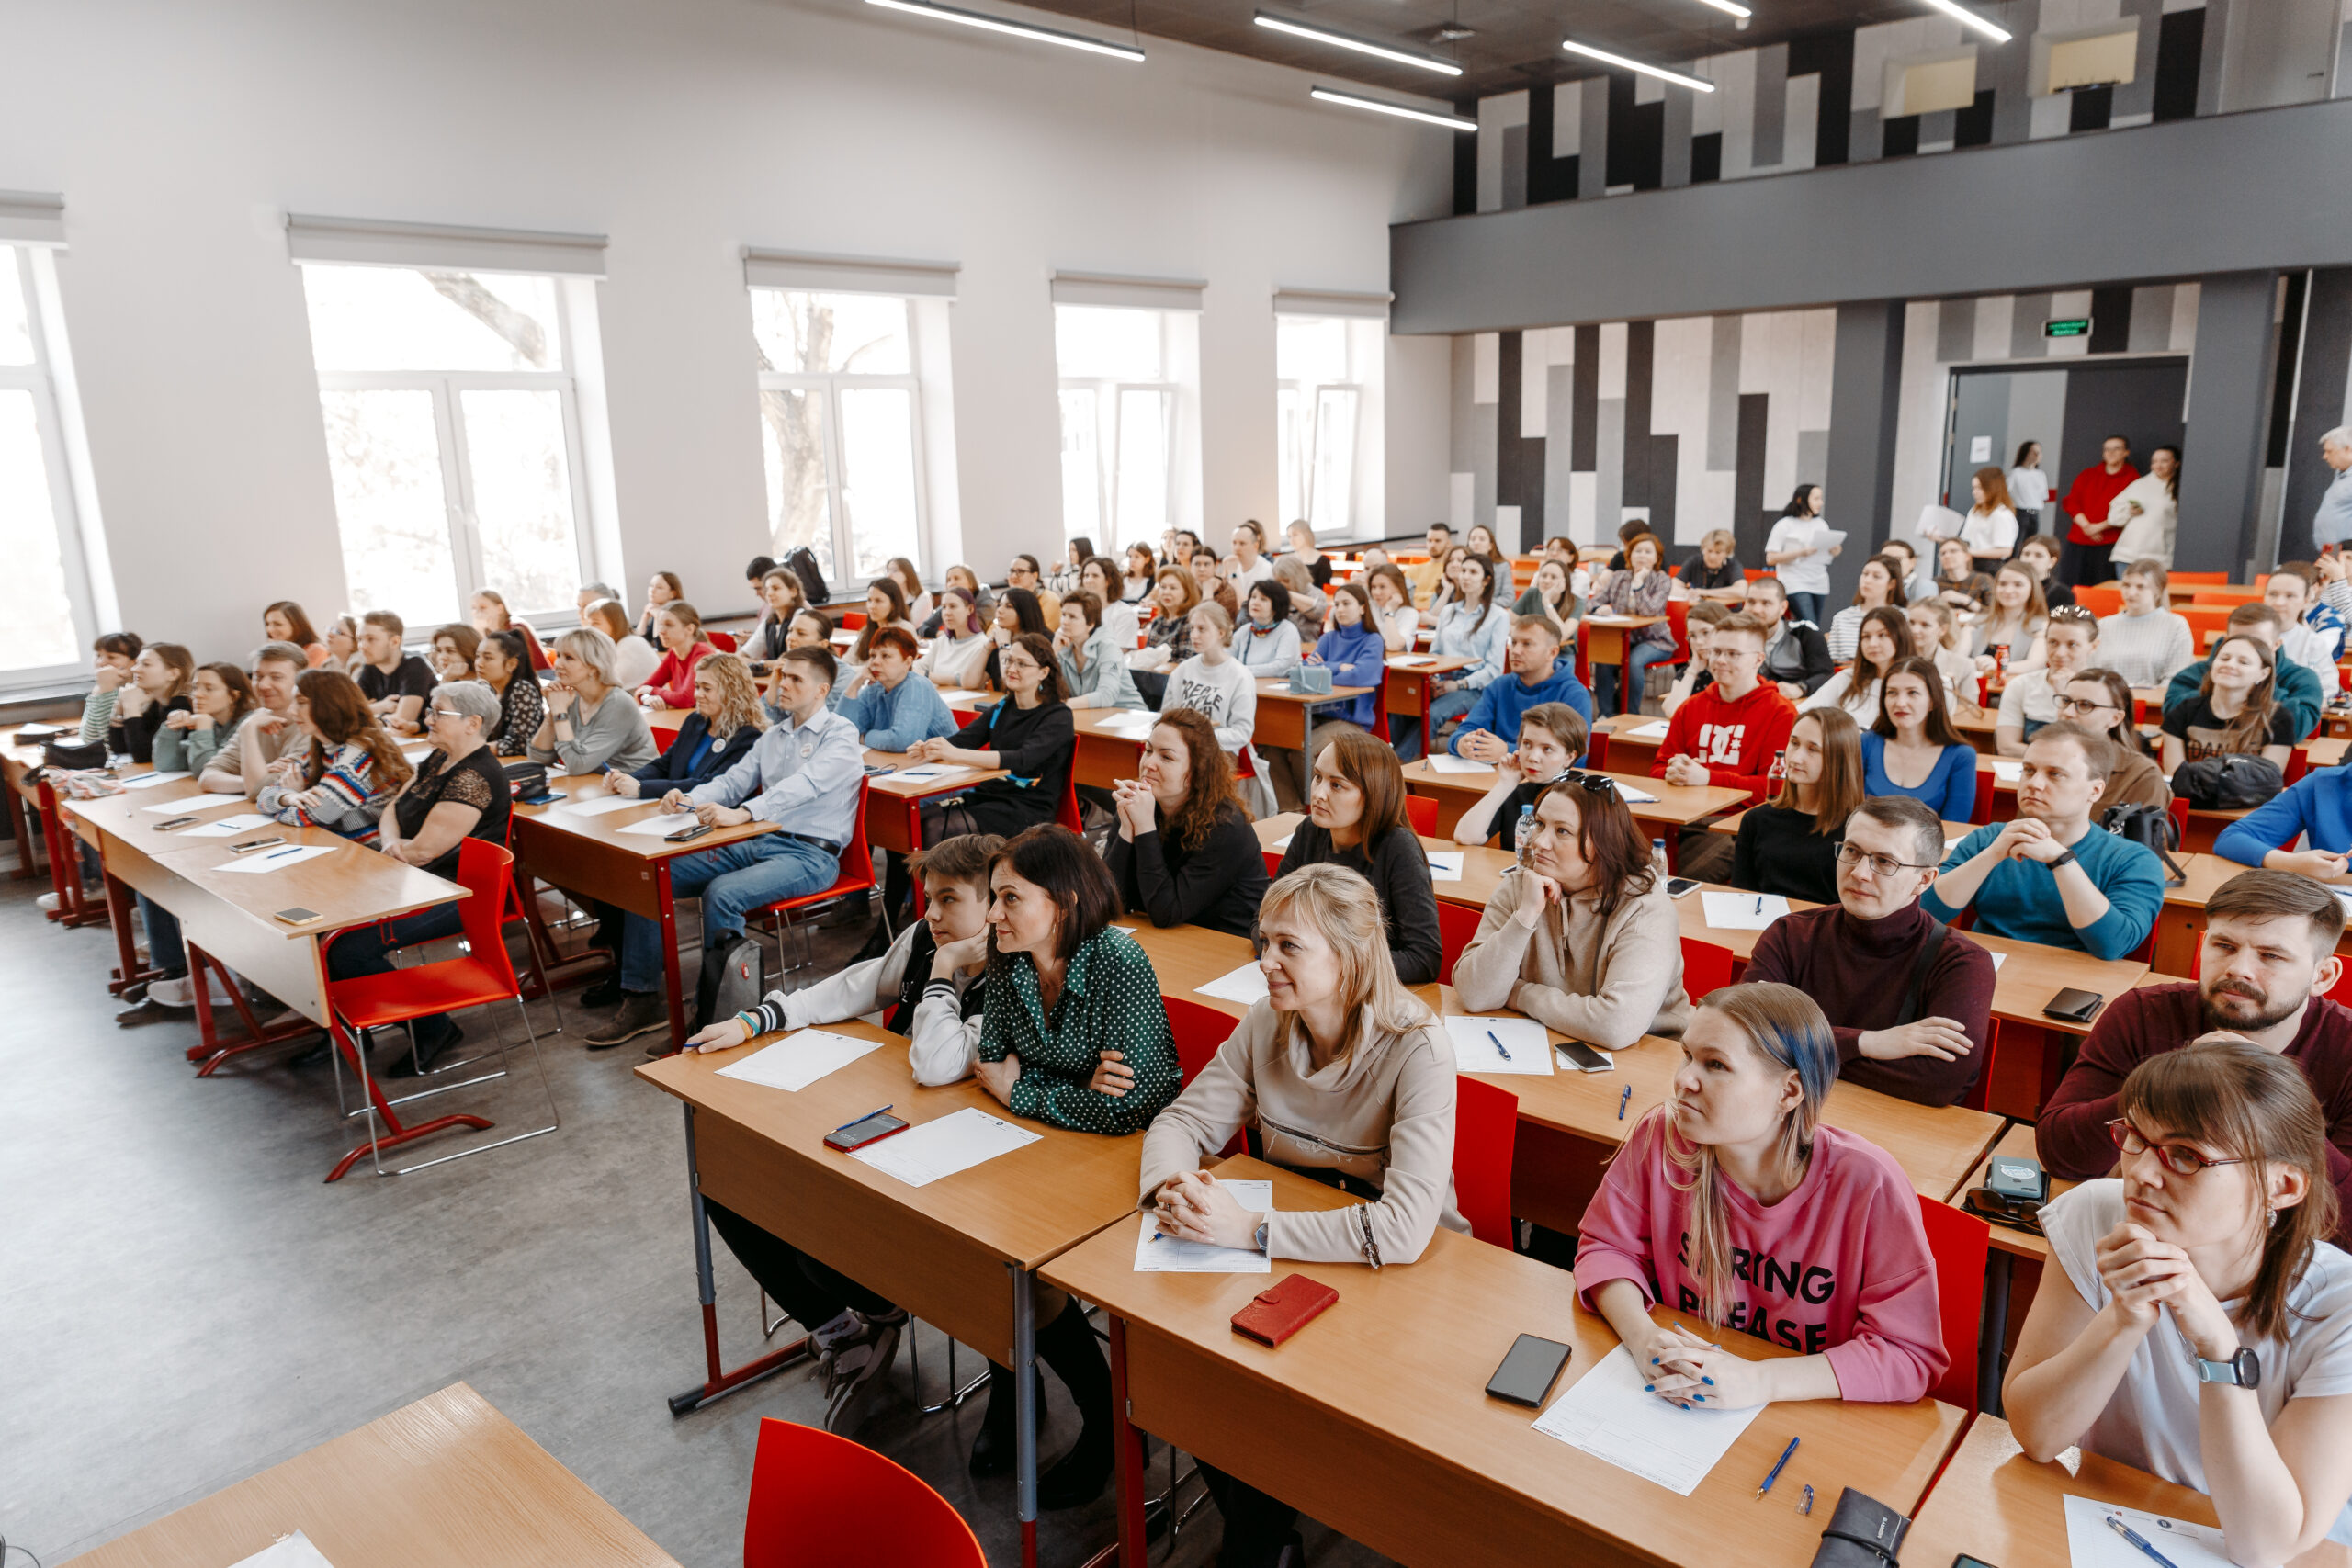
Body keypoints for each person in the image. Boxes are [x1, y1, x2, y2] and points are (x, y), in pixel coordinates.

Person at [1140, 863, 1464, 1565]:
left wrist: (1249, 1229)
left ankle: (1255, 1546)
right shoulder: (1268, 1020)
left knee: (1261, 1409)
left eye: (1289, 946)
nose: (1265, 962)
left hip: (1395, 1276)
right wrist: (1174, 1186)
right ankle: (1263, 1537)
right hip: (1291, 1250)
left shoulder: (1419, 1045)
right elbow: (1183, 1120)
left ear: (1349, 955)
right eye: (1264, 942)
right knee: (1187, 1374)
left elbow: (1404, 1229)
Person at [671, 833, 1002, 1447]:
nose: (929, 914)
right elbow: (855, 986)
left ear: (994, 906)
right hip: (889, 1118)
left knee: (814, 1207)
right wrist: (757, 1017)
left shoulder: (1012, 974)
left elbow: (936, 1063)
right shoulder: (926, 938)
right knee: (730, 1180)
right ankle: (843, 1327)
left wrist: (944, 976)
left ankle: (878, 1305)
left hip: (954, 1160)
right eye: (927, 897)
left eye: (948, 900)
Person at [2003, 1041, 2352, 1564]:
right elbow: (2038, 1437)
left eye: (2185, 1155)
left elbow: (2267, 1546)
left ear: (2282, 1186)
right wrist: (2123, 1319)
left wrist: (2218, 1349)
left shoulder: (2338, 1305)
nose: (2140, 1173)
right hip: (2105, 1513)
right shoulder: (2097, 1214)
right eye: (2135, 1138)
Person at [1577, 983, 1947, 1404]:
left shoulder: (1868, 1183)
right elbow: (1606, 1249)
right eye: (1687, 1056)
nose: (1683, 1081)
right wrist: (1643, 1339)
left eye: (1715, 1065)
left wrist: (1762, 1381)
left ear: (1788, 1092)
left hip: (1807, 1412)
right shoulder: (1662, 1139)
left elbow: (1908, 1353)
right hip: (1681, 1397)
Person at [971, 825, 1182, 1506]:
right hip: (1048, 1154)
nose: (993, 913)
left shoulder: (1118, 961)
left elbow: (1129, 1107)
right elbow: (991, 1057)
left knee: (1030, 1269)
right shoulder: (1007, 958)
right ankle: (1016, 1385)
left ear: (1060, 901)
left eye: (1008, 897)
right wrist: (1069, 1090)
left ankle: (1107, 1421)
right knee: (987, 1250)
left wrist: (1025, 1090)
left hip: (1133, 1169)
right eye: (993, 897)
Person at [583, 645, 865, 1048]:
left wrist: (745, 813)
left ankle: (713, 1018)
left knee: (723, 893)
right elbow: (732, 781)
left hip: (810, 855)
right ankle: (642, 996)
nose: (782, 684)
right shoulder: (775, 734)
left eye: (796, 679)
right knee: (648, 874)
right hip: (761, 841)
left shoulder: (840, 734)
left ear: (822, 690)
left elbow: (804, 785)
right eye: (782, 675)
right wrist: (688, 798)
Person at [2039, 872, 2352, 1229]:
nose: (2238, 969)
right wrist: (2160, 1084)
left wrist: (2269, 1095)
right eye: (2224, 946)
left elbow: (2346, 1224)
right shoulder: (2143, 1012)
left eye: (2271, 956)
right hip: (2150, 1227)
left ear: (2322, 976)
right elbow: (2062, 1155)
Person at [1745, 796, 1996, 1107]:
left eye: (1884, 862)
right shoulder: (1790, 934)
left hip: (1893, 1129)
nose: (1860, 873)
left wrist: (1794, 1047)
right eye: (1852, 851)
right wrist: (1869, 1043)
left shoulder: (1962, 962)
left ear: (1924, 880)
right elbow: (1744, 1032)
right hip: (1786, 1112)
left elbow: (1940, 1082)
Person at [326, 681, 516, 1076]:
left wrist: (394, 851)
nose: (426, 718)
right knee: (322, 928)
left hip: (459, 895)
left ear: (472, 723)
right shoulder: (439, 758)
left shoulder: (475, 776)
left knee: (344, 949)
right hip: (415, 878)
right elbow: (394, 809)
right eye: (429, 709)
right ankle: (340, 1029)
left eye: (437, 712)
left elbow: (426, 850)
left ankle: (434, 1028)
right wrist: (391, 844)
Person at [1453, 772, 1690, 1045]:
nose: (1540, 842)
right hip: (1546, 1040)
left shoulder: (1644, 907)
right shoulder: (1523, 885)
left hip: (1646, 1057)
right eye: (1540, 824)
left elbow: (1616, 1026)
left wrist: (1519, 994)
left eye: (1562, 831)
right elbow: (1474, 994)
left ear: (1603, 842)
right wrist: (1525, 916)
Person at [1923, 722, 2165, 959]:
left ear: (2096, 790)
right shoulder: (1989, 839)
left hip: (2075, 986)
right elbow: (1924, 915)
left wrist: (2061, 860)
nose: (2034, 784)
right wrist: (1992, 855)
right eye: (2028, 770)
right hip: (1983, 970)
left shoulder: (2133, 860)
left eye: (2055, 774)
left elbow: (2113, 945)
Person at [1274, 730, 1442, 985]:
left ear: (1373, 794)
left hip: (1369, 997)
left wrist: (1330, 965)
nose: (1318, 793)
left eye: (1336, 785)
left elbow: (1424, 959)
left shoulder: (1399, 849)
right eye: (1317, 777)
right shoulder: (1310, 832)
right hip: (1308, 984)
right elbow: (1266, 918)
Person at [1654, 612, 1799, 879]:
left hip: (1734, 826)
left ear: (1758, 659)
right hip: (1679, 817)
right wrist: (1672, 771)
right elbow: (1657, 768)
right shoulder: (1691, 707)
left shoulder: (1781, 713)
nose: (1720, 660)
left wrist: (1708, 778)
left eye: (1733, 654)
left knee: (1674, 878)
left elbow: (1774, 789)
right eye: (1716, 651)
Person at [1104, 708, 1270, 938]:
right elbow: (1106, 902)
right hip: (1171, 938)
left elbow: (1166, 912)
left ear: (1196, 771)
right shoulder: (1142, 805)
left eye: (1166, 757)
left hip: (1225, 946)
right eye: (1148, 750)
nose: (1149, 763)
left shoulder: (1225, 827)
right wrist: (1126, 830)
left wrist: (1144, 828)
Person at [907, 632, 1075, 837]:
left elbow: (1021, 760)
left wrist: (954, 754)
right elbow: (964, 740)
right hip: (989, 795)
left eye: (1022, 664)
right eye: (1009, 660)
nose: (1012, 669)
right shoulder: (1003, 706)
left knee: (937, 827)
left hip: (1028, 806)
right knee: (911, 820)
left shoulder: (1059, 716)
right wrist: (930, 748)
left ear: (1043, 672)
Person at [258, 670, 413, 845]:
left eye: (301, 703)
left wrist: (293, 794)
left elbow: (307, 816)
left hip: (374, 859)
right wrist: (288, 797)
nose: (291, 710)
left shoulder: (360, 754)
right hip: (341, 847)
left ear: (330, 705)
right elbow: (264, 795)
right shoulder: (323, 747)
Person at [1731, 707, 1863, 905]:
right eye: (1794, 743)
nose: (1795, 758)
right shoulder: (1756, 820)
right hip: (1763, 929)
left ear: (1839, 758)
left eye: (1812, 749)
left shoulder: (1858, 830)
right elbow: (1741, 895)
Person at [606, 652, 767, 796]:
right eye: (697, 687)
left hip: (711, 816)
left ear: (732, 692)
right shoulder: (696, 720)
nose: (698, 695)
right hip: (673, 807)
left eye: (707, 689)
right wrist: (627, 779)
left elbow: (708, 785)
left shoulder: (748, 736)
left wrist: (642, 788)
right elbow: (664, 765)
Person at [2159, 602, 2324, 742]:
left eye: (2258, 643)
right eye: (2237, 640)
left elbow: (2296, 728)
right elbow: (2173, 715)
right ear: (2225, 640)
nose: (2246, 648)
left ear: (2276, 645)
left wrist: (2257, 687)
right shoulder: (2195, 673)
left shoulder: (2303, 679)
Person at [1446, 615, 1594, 765]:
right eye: (1514, 642)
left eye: (1527, 644)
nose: (1515, 650)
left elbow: (1577, 758)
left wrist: (1507, 751)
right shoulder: (1499, 686)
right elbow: (1465, 731)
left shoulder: (1573, 694)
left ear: (1552, 653)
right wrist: (1462, 744)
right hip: (1494, 778)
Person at [1403, 554, 1511, 760]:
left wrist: (1459, 684)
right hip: (1441, 677)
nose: (1465, 577)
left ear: (1486, 580)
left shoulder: (1498, 615)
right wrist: (1434, 678)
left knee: (1431, 714)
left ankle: (1401, 762)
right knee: (1405, 705)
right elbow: (1435, 652)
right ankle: (1390, 755)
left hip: (1474, 686)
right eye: (1463, 571)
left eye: (1473, 572)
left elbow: (1494, 670)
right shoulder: (1448, 611)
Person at [2161, 633, 2296, 784]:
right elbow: (2175, 779)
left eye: (2243, 662)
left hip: (2248, 805)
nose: (2230, 665)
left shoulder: (2278, 719)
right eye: (2224, 658)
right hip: (2190, 800)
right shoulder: (2183, 711)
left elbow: (2266, 782)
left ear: (2263, 674)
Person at [527, 627, 660, 776]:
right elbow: (538, 758)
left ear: (593, 667)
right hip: (598, 785)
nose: (558, 664)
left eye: (569, 658)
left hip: (637, 788)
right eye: (558, 656)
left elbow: (577, 765)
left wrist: (560, 711)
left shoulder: (618, 703)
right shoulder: (570, 698)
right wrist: (553, 713)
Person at [1453, 704, 1588, 850]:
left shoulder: (1585, 797)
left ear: (1569, 757)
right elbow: (1464, 836)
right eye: (1527, 744)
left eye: (1547, 749)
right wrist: (1506, 783)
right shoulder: (1516, 792)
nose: (1533, 757)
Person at [1860, 657, 1977, 823]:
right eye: (1892, 692)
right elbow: (1846, 811)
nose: (1900, 703)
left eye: (1913, 693)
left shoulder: (1961, 756)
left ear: (1932, 701)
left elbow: (1954, 826)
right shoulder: (1866, 743)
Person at [198, 641, 310, 797]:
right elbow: (207, 777)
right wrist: (253, 778)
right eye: (258, 676)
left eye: (276, 677)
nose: (263, 685)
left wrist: (256, 780)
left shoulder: (311, 727)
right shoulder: (255, 719)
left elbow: (258, 790)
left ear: (301, 681)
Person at [2062, 666, 2174, 813]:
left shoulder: (2143, 776)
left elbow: (2142, 836)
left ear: (2115, 718)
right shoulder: (2043, 760)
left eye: (2085, 705)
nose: (2067, 712)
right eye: (2066, 701)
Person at [1590, 530, 1676, 719]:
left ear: (1656, 558)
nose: (1642, 556)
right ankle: (1606, 713)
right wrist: (1599, 609)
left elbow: (1649, 611)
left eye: (1648, 552)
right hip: (1622, 637)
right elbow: (1593, 601)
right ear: (1629, 555)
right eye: (1638, 551)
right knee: (1604, 658)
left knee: (1634, 662)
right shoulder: (1619, 576)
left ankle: (1630, 715)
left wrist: (1638, 585)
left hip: (1655, 640)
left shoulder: (1662, 580)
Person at [1298, 581, 1388, 754]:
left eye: (1346, 604)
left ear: (1362, 608)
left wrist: (1320, 669)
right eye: (1337, 604)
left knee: (1303, 749)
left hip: (1352, 723)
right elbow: (1303, 672)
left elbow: (1358, 677)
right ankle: (1300, 782)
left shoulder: (1373, 640)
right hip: (1317, 715)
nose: (1339, 609)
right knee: (1277, 746)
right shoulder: (1329, 638)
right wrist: (1338, 666)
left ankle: (1311, 782)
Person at [1996, 604, 2099, 754]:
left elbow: (2091, 753)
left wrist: (2066, 697)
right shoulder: (2021, 685)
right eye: (2053, 642)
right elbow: (2007, 747)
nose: (2060, 653)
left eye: (2072, 644)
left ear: (2093, 646)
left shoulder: (2102, 692)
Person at [842, 625, 963, 748]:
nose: (875, 662)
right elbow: (842, 732)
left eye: (886, 656)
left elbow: (903, 741)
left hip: (945, 764)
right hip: (903, 762)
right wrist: (854, 686)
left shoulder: (917, 686)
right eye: (873, 655)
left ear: (908, 662)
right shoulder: (875, 688)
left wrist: (866, 737)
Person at [1163, 603, 1258, 760]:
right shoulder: (1183, 670)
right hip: (1180, 749)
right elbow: (1166, 715)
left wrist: (1199, 738)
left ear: (1221, 633)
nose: (1194, 635)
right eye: (1192, 628)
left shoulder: (1240, 676)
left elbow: (1242, 731)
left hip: (1219, 753)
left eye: (1202, 629)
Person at [1803, 606, 1908, 728]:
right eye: (1866, 637)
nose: (1872, 644)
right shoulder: (1848, 677)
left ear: (1901, 637)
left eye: (1882, 635)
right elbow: (1804, 711)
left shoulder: (1915, 683)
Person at [2098, 559, 2197, 688]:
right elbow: (2093, 672)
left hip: (2155, 703)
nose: (2131, 593)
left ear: (2157, 591)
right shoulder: (2104, 625)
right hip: (2108, 701)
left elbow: (2175, 679)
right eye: (2126, 585)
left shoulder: (2176, 625)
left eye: (2141, 587)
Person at [2059, 434, 2141, 586]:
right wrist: (2087, 527)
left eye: (2116, 449)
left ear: (2126, 452)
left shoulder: (2133, 479)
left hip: (2109, 542)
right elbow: (2071, 503)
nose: (2111, 453)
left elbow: (2129, 511)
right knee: (2071, 586)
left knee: (2101, 588)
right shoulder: (2088, 474)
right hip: (2079, 539)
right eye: (2107, 449)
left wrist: (2099, 527)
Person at [154, 660, 257, 779]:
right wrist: (172, 727)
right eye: (194, 687)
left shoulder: (248, 723)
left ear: (233, 696)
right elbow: (166, 764)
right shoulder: (215, 723)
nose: (197, 694)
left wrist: (203, 726)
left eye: (209, 689)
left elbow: (204, 772)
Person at [1746, 575, 1835, 700]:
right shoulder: (1734, 636)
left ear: (1783, 607)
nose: (1756, 609)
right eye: (1751, 602)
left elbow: (1826, 674)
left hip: (1795, 707)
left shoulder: (1805, 633)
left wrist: (1801, 688)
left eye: (1766, 603)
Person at [104, 641, 194, 763]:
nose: (135, 669)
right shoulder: (156, 703)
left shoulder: (181, 706)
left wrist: (131, 706)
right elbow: (119, 748)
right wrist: (119, 713)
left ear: (173, 674)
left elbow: (144, 755)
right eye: (137, 664)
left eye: (146, 664)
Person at [2267, 561, 2346, 701]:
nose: (2279, 602)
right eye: (2272, 594)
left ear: (2306, 600)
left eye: (2290, 596)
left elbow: (2327, 688)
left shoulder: (2314, 642)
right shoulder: (2247, 632)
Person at [1054, 592, 1145, 713]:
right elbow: (1044, 688)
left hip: (1130, 717)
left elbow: (1106, 695)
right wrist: (1053, 652)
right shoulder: (1062, 646)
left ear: (1090, 624)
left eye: (1072, 617)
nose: (1064, 621)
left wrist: (1061, 705)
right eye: (1063, 615)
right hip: (1091, 715)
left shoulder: (1108, 647)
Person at [1765, 483, 1838, 626]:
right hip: (1794, 581)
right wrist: (1800, 553)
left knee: (1812, 625)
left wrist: (1835, 549)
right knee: (1810, 624)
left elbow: (1829, 551)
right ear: (1801, 500)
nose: (1820, 503)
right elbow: (1771, 558)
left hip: (1819, 580)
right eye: (1816, 499)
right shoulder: (1784, 525)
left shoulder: (1821, 524)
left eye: (1821, 499)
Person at [353, 610, 435, 737]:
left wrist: (371, 714)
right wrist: (379, 707)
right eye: (359, 639)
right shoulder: (369, 669)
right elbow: (349, 716)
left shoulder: (415, 665)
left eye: (371, 639)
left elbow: (401, 722)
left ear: (395, 642)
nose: (362, 646)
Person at [1126, 569, 1197, 709]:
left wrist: (1157, 666)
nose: (1166, 592)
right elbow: (1147, 655)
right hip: (1150, 683)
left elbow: (1186, 663)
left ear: (1187, 592)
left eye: (1173, 588)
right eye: (1163, 587)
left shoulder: (1190, 621)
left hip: (1175, 687)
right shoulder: (1158, 622)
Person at [840, 578, 918, 704]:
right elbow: (844, 665)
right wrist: (864, 671)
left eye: (878, 601)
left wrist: (862, 671)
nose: (872, 606)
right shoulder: (866, 631)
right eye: (869, 600)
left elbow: (898, 670)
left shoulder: (904, 629)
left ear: (893, 604)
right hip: (864, 691)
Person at [631, 601, 718, 711]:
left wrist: (653, 691)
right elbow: (642, 689)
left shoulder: (702, 654)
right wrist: (649, 698)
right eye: (660, 624)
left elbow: (686, 699)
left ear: (690, 629)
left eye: (669, 625)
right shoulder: (673, 653)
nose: (661, 631)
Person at [1906, 597, 1984, 716]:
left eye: (1925, 625)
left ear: (1942, 629)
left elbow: (1970, 711)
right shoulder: (1895, 660)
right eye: (1911, 623)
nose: (1915, 630)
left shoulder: (1963, 665)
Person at [472, 631, 544, 758]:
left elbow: (519, 743)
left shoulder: (522, 690)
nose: (479, 663)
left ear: (512, 664)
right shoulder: (485, 689)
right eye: (477, 656)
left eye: (488, 658)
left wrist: (473, 749)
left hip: (520, 764)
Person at [2107, 445, 2179, 570]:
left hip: (2161, 558)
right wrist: (2129, 512)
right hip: (2128, 556)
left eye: (2164, 461)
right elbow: (2113, 518)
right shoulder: (2139, 485)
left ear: (2176, 464)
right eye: (2155, 461)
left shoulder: (2179, 488)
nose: (2158, 465)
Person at [1825, 556, 1907, 662]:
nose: (1867, 580)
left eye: (1876, 576)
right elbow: (1833, 660)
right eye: (1865, 574)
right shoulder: (1842, 617)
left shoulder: (1903, 616)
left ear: (1892, 584)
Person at [1658, 599, 1731, 717]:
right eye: (1692, 635)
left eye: (1706, 633)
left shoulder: (1735, 670)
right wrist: (1693, 670)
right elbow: (1673, 712)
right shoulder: (1688, 673)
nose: (1699, 642)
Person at [1973, 561, 2048, 675]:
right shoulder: (1977, 621)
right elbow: (1957, 659)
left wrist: (1998, 666)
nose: (2008, 591)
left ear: (2032, 588)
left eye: (2018, 585)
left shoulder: (2041, 625)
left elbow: (2036, 665)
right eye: (2002, 584)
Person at [913, 586, 992, 691]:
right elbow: (918, 667)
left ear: (970, 609)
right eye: (944, 607)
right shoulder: (942, 641)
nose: (947, 613)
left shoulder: (983, 644)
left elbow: (967, 681)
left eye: (953, 606)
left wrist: (928, 675)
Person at [584, 597, 661, 689]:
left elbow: (609, 684)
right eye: (589, 623)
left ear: (614, 623)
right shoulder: (622, 643)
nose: (589, 628)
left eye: (595, 623)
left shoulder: (628, 645)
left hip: (649, 698)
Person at [1236, 579, 1303, 680]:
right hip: (1246, 686)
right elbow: (1225, 658)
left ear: (1277, 605)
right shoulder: (1245, 630)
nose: (1255, 602)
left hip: (1277, 691)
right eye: (1253, 597)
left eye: (1263, 599)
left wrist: (1240, 671)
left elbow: (1281, 668)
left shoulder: (1287, 630)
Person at [469, 589, 548, 671]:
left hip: (539, 673)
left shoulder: (516, 627)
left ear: (499, 609)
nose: (477, 613)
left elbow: (507, 664)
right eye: (473, 608)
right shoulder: (484, 631)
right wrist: (479, 633)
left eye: (483, 608)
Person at [1962, 466, 2021, 570]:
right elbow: (1965, 539)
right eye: (1974, 488)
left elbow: (2005, 551)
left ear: (1992, 488)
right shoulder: (1974, 511)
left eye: (1979, 488)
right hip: (1969, 562)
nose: (1974, 492)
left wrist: (1972, 552)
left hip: (1988, 566)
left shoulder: (2001, 515)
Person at [1078, 556, 1139, 652]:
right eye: (1086, 575)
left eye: (1095, 576)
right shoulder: (1079, 611)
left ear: (1108, 581)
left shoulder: (1124, 614)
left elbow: (1119, 653)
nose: (1088, 580)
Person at [746, 569, 800, 671]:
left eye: (776, 588)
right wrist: (769, 664)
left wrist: (761, 664)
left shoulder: (801, 617)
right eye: (767, 589)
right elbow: (740, 657)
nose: (769, 593)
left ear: (793, 591)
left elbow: (791, 662)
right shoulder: (769, 622)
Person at [1513, 557, 1579, 635]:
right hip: (1533, 645)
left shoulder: (1576, 601)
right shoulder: (1531, 593)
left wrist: (1547, 601)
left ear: (1564, 583)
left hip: (1561, 647)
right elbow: (1508, 621)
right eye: (1544, 576)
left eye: (1553, 577)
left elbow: (1562, 636)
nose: (1547, 581)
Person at [1364, 563, 1420, 651]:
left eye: (1382, 587)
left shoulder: (1410, 613)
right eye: (1373, 587)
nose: (1376, 592)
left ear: (1398, 588)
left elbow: (1394, 646)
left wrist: (1389, 611)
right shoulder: (1368, 607)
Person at [1677, 529, 1746, 599]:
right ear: (1703, 549)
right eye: (1709, 551)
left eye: (1718, 552)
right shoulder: (1694, 562)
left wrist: (1704, 592)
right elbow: (1673, 586)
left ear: (1727, 553)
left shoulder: (1732, 565)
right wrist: (1689, 593)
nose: (1712, 557)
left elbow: (1742, 591)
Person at [1271, 557, 1327, 642]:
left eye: (1285, 581)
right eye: (1278, 581)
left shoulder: (1316, 594)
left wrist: (1288, 595)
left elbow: (1318, 613)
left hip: (1305, 645)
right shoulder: (1274, 594)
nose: (1282, 585)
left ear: (1298, 577)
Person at [2315, 426, 2352, 556]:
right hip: (2332, 549)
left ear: (2348, 449)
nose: (2325, 456)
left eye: (2329, 451)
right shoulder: (2342, 474)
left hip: (2345, 553)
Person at [1933, 536, 1994, 614]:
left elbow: (1994, 613)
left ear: (1967, 556)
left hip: (1976, 624)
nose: (1947, 556)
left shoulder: (1983, 579)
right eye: (1943, 553)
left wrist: (1966, 600)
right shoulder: (1934, 583)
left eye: (1953, 551)